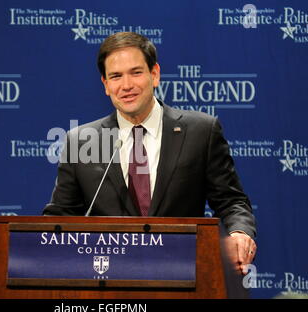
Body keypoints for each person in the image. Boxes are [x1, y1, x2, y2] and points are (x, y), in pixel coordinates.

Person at [43, 32, 256, 274]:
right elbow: (60, 217)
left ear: (154, 74)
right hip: (109, 281)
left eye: (136, 72)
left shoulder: (201, 132)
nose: (126, 86)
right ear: (105, 85)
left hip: (183, 275)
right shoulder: (82, 141)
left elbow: (231, 202)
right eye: (115, 76)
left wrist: (239, 233)